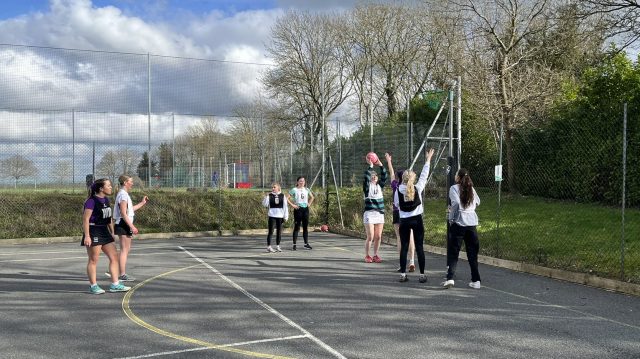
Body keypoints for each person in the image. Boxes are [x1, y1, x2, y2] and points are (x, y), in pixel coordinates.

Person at [81, 178, 130, 294]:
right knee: (93, 260)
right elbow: (85, 219)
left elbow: (108, 219)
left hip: (104, 231)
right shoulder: (91, 201)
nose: (111, 187)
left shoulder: (106, 200)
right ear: (101, 188)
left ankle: (115, 284)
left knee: (114, 257)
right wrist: (87, 236)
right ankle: (93, 286)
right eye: (108, 185)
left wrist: (112, 232)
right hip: (94, 231)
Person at [394, 148, 434, 283]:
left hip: (404, 220)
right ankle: (422, 275)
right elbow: (424, 175)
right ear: (412, 178)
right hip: (417, 220)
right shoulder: (417, 187)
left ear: (402, 178)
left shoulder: (398, 190)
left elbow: (397, 205)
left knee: (404, 247)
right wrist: (428, 159)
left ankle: (403, 275)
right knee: (419, 247)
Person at [442, 168, 482, 289]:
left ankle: (450, 278)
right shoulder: (471, 188)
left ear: (458, 177)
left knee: (454, 252)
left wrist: (451, 218)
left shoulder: (454, 188)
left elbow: (455, 204)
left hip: (459, 223)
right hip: (471, 224)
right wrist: (470, 208)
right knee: (472, 253)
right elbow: (478, 202)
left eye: (455, 174)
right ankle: (476, 280)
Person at [111, 175, 148, 282]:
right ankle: (121, 274)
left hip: (125, 224)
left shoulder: (124, 194)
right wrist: (132, 226)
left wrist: (142, 203)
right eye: (131, 181)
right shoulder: (123, 195)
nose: (132, 183)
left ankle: (116, 269)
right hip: (123, 224)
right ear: (125, 182)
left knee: (126, 250)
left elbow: (129, 210)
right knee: (124, 250)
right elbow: (123, 213)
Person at [386, 153, 416, 272]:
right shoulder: (412, 187)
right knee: (411, 236)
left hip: (397, 212)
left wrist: (389, 161)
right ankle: (412, 261)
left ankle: (402, 263)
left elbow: (391, 173)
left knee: (400, 237)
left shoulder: (395, 186)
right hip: (410, 213)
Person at [363, 153, 387, 263]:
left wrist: (380, 164)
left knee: (378, 236)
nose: (374, 177)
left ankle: (376, 255)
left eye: (375, 176)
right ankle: (367, 255)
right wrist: (371, 165)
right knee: (371, 236)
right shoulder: (367, 187)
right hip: (369, 213)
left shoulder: (379, 186)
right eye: (372, 176)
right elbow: (366, 176)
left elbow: (385, 175)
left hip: (379, 214)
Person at [287, 176, 314, 250]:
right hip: (298, 209)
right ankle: (294, 244)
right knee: (297, 227)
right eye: (300, 181)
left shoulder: (307, 189)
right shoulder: (294, 189)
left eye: (303, 181)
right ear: (297, 182)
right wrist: (293, 205)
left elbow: (312, 197)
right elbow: (286, 198)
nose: (302, 182)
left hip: (305, 209)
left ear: (305, 182)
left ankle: (306, 244)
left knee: (305, 227)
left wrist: (309, 204)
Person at [263, 182, 289, 252]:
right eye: (272, 187)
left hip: (280, 217)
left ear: (278, 188)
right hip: (272, 216)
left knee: (279, 232)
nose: (273, 188)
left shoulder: (283, 196)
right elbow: (265, 205)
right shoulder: (269, 196)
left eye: (274, 187)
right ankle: (269, 246)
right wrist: (265, 197)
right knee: (271, 231)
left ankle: (278, 246)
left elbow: (285, 207)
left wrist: (286, 216)